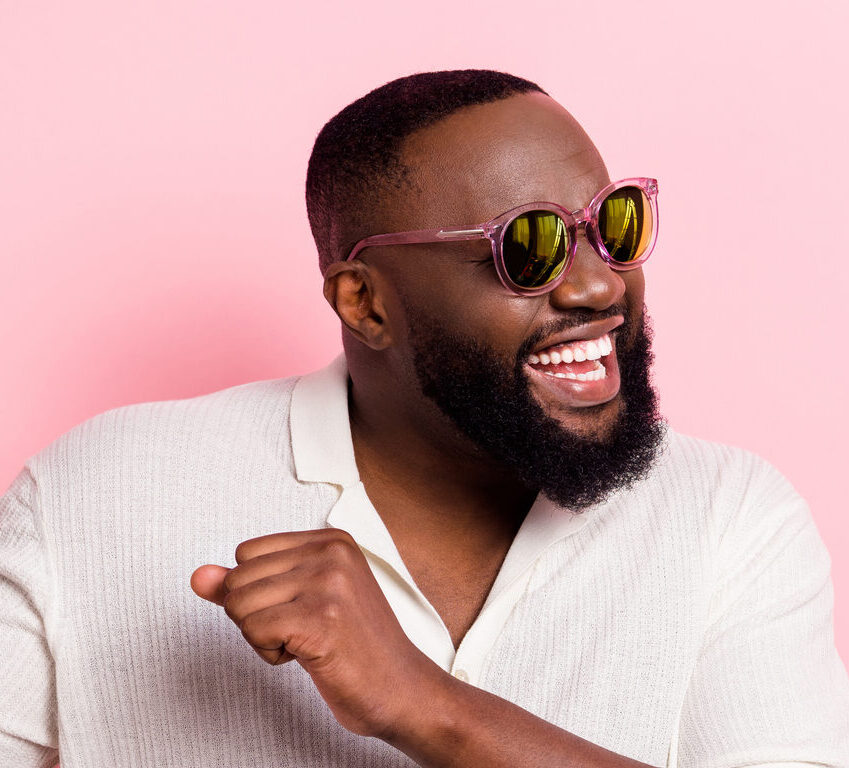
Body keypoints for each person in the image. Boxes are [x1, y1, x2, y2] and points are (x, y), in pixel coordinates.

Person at [1, 69, 846, 768]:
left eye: (611, 226)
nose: (598, 287)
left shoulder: (728, 519)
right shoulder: (94, 500)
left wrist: (425, 706)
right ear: (365, 304)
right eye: (530, 248)